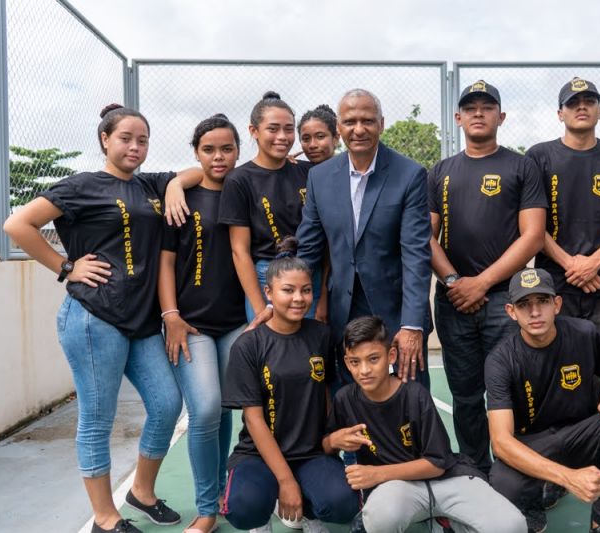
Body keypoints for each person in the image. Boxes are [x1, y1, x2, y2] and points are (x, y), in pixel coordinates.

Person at [3, 104, 201, 533]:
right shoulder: (81, 186)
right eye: (125, 138)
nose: (134, 146)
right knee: (98, 416)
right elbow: (17, 224)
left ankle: (142, 493)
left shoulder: (150, 185)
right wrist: (64, 265)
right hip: (95, 317)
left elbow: (200, 170)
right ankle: (105, 519)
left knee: (167, 404)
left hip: (142, 320)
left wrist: (173, 187)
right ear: (104, 141)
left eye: (142, 139)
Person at [427, 80, 547, 471]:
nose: (479, 113)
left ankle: (519, 475)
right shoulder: (441, 171)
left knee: (515, 390)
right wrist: (452, 282)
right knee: (465, 396)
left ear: (501, 116)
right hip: (453, 301)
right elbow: (425, 236)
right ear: (458, 118)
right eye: (470, 107)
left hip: (505, 301)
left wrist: (480, 283)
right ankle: (476, 472)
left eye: (487, 106)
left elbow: (532, 237)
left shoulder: (521, 166)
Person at [324, 315, 528, 533]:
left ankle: (445, 520)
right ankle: (438, 521)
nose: (364, 370)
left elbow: (438, 463)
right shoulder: (345, 399)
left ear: (391, 355)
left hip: (447, 480)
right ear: (346, 362)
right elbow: (325, 446)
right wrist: (333, 440)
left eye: (373, 359)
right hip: (397, 488)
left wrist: (377, 474)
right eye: (355, 362)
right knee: (381, 518)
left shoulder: (415, 395)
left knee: (512, 526)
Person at [486, 268, 600, 533]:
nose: (535, 312)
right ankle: (534, 502)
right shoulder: (501, 360)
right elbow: (501, 442)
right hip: (533, 441)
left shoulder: (584, 333)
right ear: (511, 312)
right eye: (525, 305)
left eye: (543, 302)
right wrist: (569, 477)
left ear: (556, 304)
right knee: (504, 485)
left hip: (581, 433)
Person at [220, 239, 360, 532]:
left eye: (306, 290)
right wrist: (285, 481)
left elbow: (325, 395)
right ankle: (266, 506)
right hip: (258, 454)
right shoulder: (248, 345)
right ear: (269, 292)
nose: (299, 298)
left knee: (343, 502)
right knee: (243, 507)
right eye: (288, 290)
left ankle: (309, 510)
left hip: (310, 452)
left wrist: (329, 446)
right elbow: (254, 419)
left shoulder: (321, 335)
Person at [295, 88, 432, 387]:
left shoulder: (410, 175)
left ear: (381, 124)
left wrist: (411, 325)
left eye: (368, 121)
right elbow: (309, 249)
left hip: (397, 312)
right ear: (338, 128)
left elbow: (416, 254)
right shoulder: (319, 178)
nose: (359, 129)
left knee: (408, 404)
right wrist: (282, 302)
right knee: (350, 402)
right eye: (350, 121)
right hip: (343, 310)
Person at [157, 114, 248, 533]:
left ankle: (223, 493)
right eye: (209, 149)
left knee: (227, 409)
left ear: (238, 151)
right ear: (196, 152)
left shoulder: (243, 189)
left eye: (226, 148)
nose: (218, 156)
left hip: (235, 322)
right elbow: (166, 261)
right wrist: (170, 315)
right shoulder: (182, 195)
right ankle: (207, 507)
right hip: (190, 324)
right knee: (207, 408)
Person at [527, 77, 600, 365]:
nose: (582, 107)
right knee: (557, 366)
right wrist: (572, 264)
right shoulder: (539, 156)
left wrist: (594, 263)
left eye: (589, 102)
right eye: (573, 103)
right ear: (560, 113)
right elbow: (532, 225)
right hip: (555, 283)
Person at [217, 91, 320, 323]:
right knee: (271, 352)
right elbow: (239, 251)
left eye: (288, 129)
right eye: (273, 129)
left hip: (310, 271)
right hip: (267, 274)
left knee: (309, 349)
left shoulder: (308, 173)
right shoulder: (239, 179)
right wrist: (260, 306)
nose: (282, 136)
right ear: (253, 131)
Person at [296, 104, 340, 324]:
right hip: (303, 268)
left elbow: (331, 245)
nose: (312, 145)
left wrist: (323, 295)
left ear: (336, 137)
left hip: (332, 275)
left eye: (320, 136)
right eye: (305, 138)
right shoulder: (302, 170)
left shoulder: (344, 175)